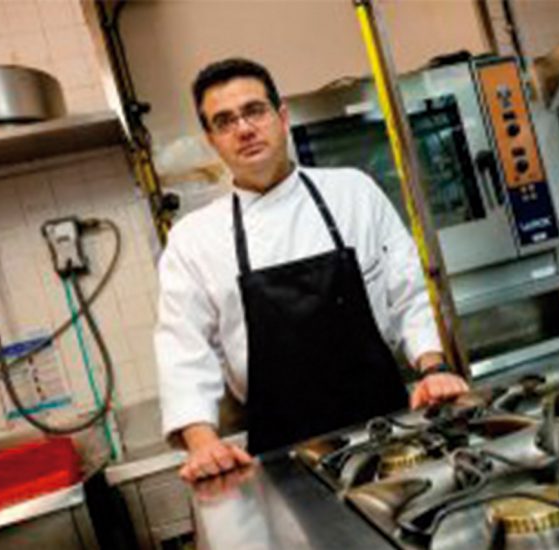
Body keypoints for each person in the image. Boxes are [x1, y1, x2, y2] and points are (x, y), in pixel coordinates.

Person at [154, 58, 469, 483]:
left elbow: (408, 290)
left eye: (254, 111)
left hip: (392, 437)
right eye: (225, 122)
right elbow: (183, 348)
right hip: (282, 458)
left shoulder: (353, 192)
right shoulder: (194, 239)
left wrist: (433, 368)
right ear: (212, 140)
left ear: (282, 117)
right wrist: (202, 442)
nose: (244, 129)